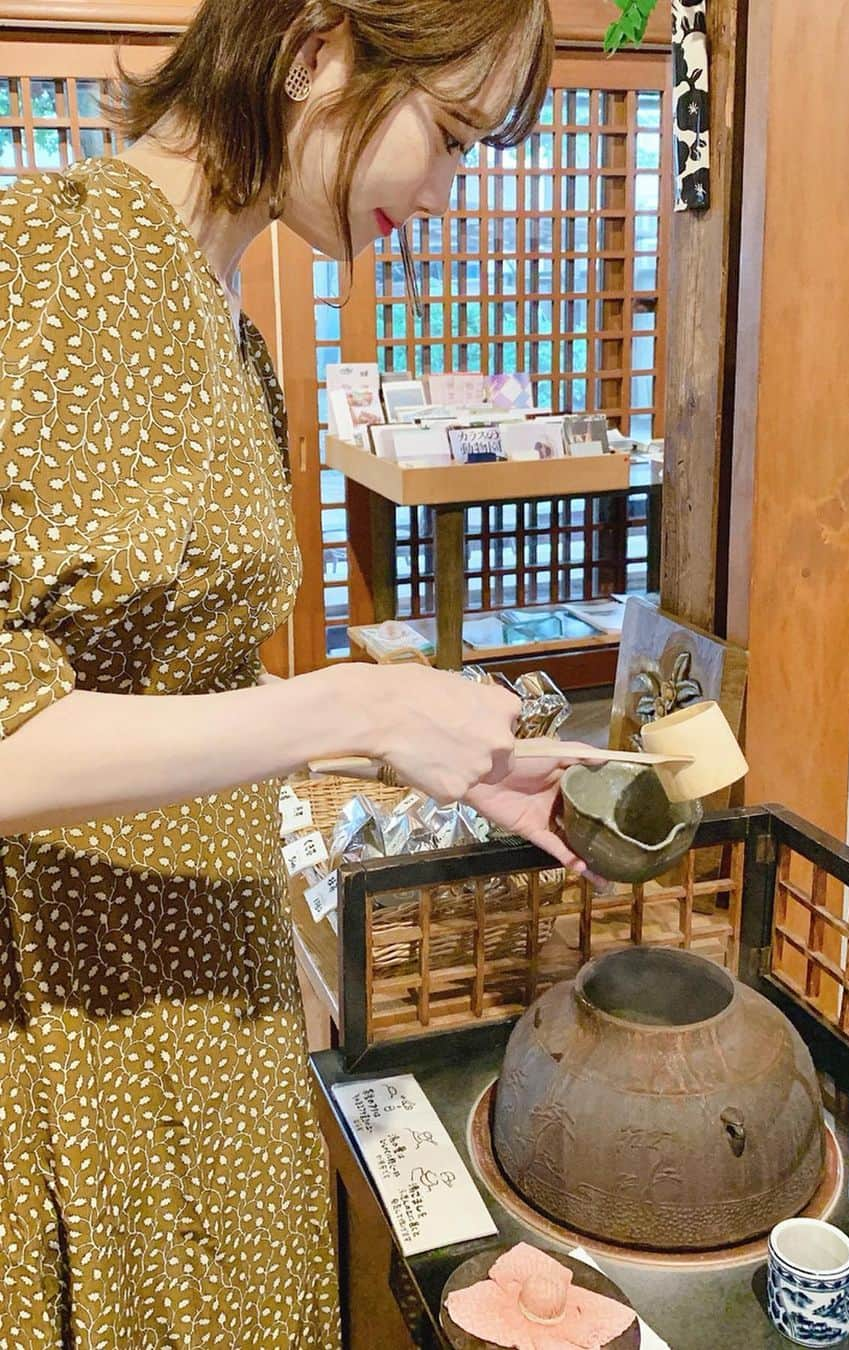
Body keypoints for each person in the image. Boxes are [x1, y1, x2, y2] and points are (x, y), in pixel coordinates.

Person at [0, 1, 586, 1344]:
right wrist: (361, 700)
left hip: (207, 976)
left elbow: (166, 688)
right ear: (318, 48)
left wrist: (413, 752)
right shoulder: (74, 255)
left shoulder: (227, 309)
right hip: (89, 1022)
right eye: (447, 135)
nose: (442, 194)